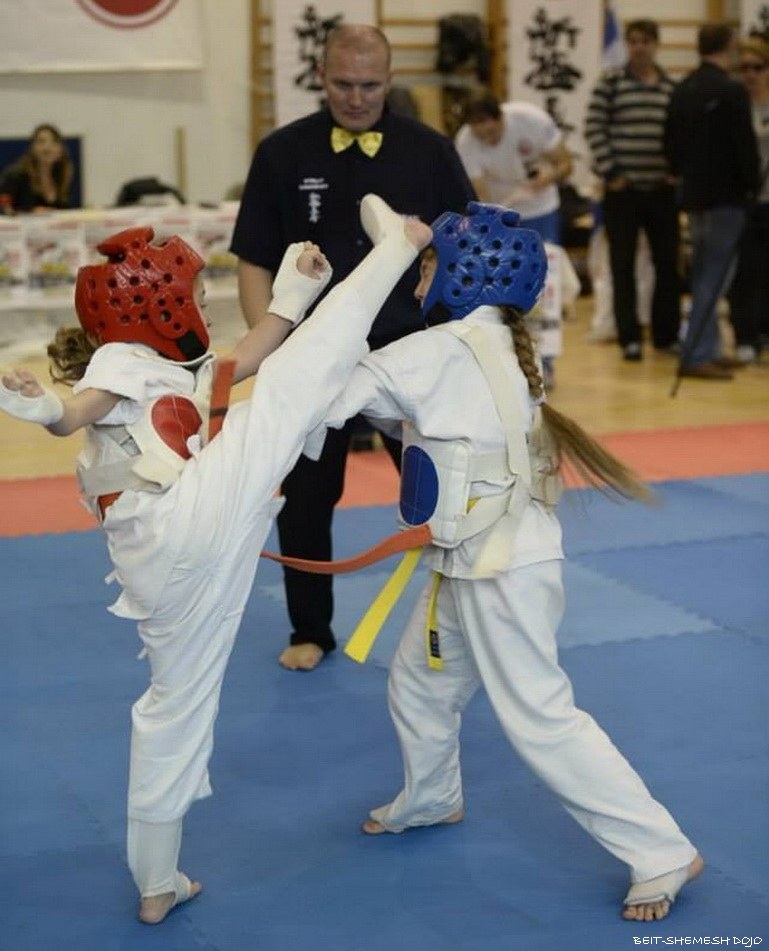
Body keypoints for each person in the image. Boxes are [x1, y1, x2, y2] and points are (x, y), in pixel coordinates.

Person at [0, 197, 432, 924]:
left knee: (173, 708)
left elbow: (247, 355)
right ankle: (394, 248)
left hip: (166, 564)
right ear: (156, 306)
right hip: (180, 524)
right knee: (292, 391)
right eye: (197, 296)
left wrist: (294, 294)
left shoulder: (175, 368)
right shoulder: (121, 361)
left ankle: (157, 880)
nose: (204, 306)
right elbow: (78, 411)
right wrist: (45, 409)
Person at [316, 201, 703, 922]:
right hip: (480, 558)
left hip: (501, 567)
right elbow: (412, 417)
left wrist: (321, 308)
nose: (418, 281)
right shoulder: (486, 350)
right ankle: (432, 796)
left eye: (427, 267)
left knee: (539, 716)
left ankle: (660, 850)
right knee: (420, 682)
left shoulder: (432, 353)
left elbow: (320, 398)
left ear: (460, 277)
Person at [230, 23, 475, 672]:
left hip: (410, 353)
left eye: (370, 85)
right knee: (306, 501)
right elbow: (253, 259)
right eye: (343, 84)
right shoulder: (282, 153)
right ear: (321, 76)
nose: (357, 97)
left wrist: (454, 314)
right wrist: (271, 350)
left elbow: (466, 244)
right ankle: (309, 629)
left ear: (390, 80)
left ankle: (463, 621)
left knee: (446, 494)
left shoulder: (429, 151)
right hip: (315, 357)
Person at [454, 92, 572, 386]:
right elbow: (479, 193)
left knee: (545, 287)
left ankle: (546, 361)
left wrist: (547, 177)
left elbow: (565, 164)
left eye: (491, 130)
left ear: (501, 118)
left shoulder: (531, 120)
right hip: (503, 214)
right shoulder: (465, 142)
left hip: (542, 209)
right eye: (479, 131)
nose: (486, 136)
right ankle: (509, 359)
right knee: (503, 287)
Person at [664, 23, 761, 380]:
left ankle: (711, 346)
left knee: (705, 270)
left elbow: (670, 140)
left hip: (694, 195)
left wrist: (681, 173)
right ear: (729, 45)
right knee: (714, 274)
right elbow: (743, 145)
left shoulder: (684, 87)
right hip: (726, 197)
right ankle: (697, 352)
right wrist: (752, 184)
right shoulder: (731, 90)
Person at [584, 19, 680, 362]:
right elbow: (594, 127)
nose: (639, 47)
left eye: (645, 41)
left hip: (662, 189)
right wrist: (611, 171)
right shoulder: (611, 82)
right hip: (622, 190)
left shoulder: (671, 86)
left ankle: (666, 336)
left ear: (656, 45)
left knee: (667, 264)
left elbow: (682, 132)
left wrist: (677, 170)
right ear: (627, 45)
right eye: (633, 41)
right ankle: (630, 338)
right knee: (621, 264)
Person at [726, 35, 769, 364]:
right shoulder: (733, 105)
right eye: (744, 68)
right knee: (744, 272)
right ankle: (744, 336)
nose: (751, 74)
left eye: (758, 67)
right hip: (742, 201)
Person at [0, 123, 73, 213]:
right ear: (32, 147)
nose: (48, 147)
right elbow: (3, 208)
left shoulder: (62, 176)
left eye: (54, 142)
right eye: (41, 142)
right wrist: (28, 212)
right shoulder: (16, 176)